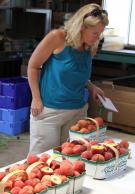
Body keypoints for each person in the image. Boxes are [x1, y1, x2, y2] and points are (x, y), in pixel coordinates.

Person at [27, 3, 109, 154]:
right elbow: (33, 66)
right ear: (82, 26)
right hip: (49, 111)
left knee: (70, 159)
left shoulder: (90, 45)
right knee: (43, 160)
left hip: (77, 111)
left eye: (100, 33)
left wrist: (91, 87)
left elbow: (77, 73)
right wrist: (36, 98)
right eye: (95, 33)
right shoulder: (57, 37)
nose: (98, 37)